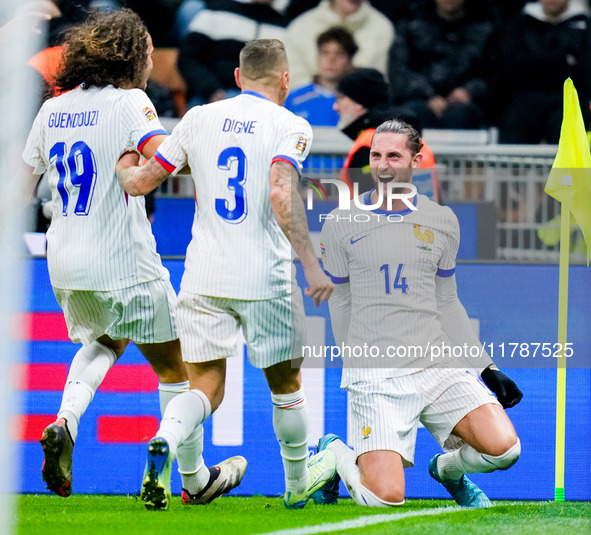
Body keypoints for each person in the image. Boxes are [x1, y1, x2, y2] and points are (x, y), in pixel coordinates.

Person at [116, 38, 337, 510]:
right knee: (286, 386)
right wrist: (312, 263)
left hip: (202, 277)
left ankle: (166, 439)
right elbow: (281, 195)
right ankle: (297, 488)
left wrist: (122, 166)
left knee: (205, 387)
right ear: (285, 80)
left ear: (237, 78)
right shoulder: (291, 125)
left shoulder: (198, 118)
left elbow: (143, 183)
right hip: (264, 278)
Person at [21, 9, 215, 505]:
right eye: (148, 51)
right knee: (178, 372)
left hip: (63, 260)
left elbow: (19, 191)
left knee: (108, 339)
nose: (153, 60)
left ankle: (64, 420)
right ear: (129, 55)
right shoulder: (131, 102)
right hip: (123, 260)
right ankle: (174, 473)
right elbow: (163, 154)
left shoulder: (52, 109)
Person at [315, 118, 523, 508]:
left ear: (416, 158)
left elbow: (447, 302)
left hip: (436, 363)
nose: (383, 165)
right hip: (376, 371)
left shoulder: (442, 221)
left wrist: (486, 367)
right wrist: (353, 359)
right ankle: (336, 455)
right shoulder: (341, 223)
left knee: (505, 451)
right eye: (376, 155)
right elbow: (340, 300)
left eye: (394, 155)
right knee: (385, 499)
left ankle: (447, 470)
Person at [487, 0, 591, 143]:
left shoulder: (585, 24)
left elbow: (584, 70)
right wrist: (563, 59)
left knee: (568, 126)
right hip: (526, 98)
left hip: (572, 99)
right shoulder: (520, 23)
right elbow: (514, 68)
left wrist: (537, 62)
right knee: (515, 121)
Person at [387, 0, 497, 130]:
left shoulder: (485, 28)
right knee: (413, 114)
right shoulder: (411, 24)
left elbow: (494, 72)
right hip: (418, 101)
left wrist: (469, 91)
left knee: (461, 116)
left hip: (468, 105)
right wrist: (428, 96)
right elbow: (399, 70)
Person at [334, 67, 439, 202]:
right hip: (423, 222)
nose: (335, 107)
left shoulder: (370, 144)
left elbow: (376, 208)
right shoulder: (417, 142)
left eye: (340, 98)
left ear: (359, 102)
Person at [178, 0, 289, 109]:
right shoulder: (216, 10)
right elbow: (188, 57)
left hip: (264, 104)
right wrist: (211, 89)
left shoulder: (288, 26)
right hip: (213, 95)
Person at [283, 0, 395, 89]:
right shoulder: (300, 28)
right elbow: (293, 80)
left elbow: (381, 84)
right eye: (325, 52)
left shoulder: (383, 28)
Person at [285, 27, 357, 127]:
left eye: (339, 54)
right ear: (318, 58)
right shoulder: (293, 99)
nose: (331, 59)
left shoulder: (360, 102)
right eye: (325, 53)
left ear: (350, 61)